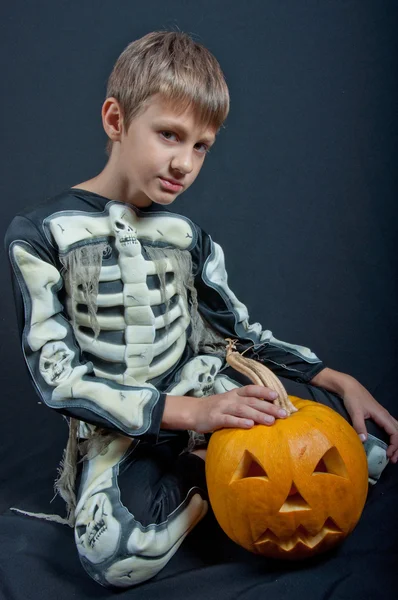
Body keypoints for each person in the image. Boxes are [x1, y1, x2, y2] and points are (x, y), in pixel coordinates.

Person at [4, 30, 398, 589]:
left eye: (201, 146)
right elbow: (59, 380)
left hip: (202, 384)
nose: (184, 163)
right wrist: (194, 418)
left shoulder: (189, 236)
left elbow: (239, 333)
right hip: (120, 424)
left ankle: (226, 470)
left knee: (372, 451)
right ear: (116, 121)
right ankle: (216, 485)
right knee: (116, 557)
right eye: (170, 134)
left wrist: (340, 379)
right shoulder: (39, 234)